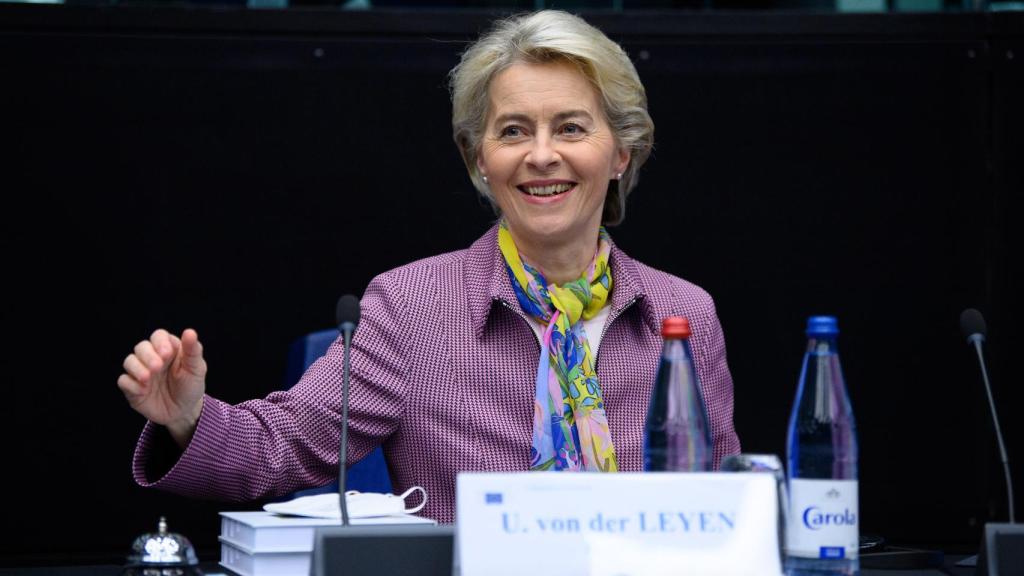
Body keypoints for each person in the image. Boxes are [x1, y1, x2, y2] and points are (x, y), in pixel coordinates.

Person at [118, 10, 741, 524]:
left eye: (571, 128)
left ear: (620, 155)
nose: (542, 155)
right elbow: (281, 446)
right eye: (514, 131)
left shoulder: (684, 314)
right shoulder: (411, 305)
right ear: (481, 161)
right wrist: (188, 419)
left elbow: (726, 506)